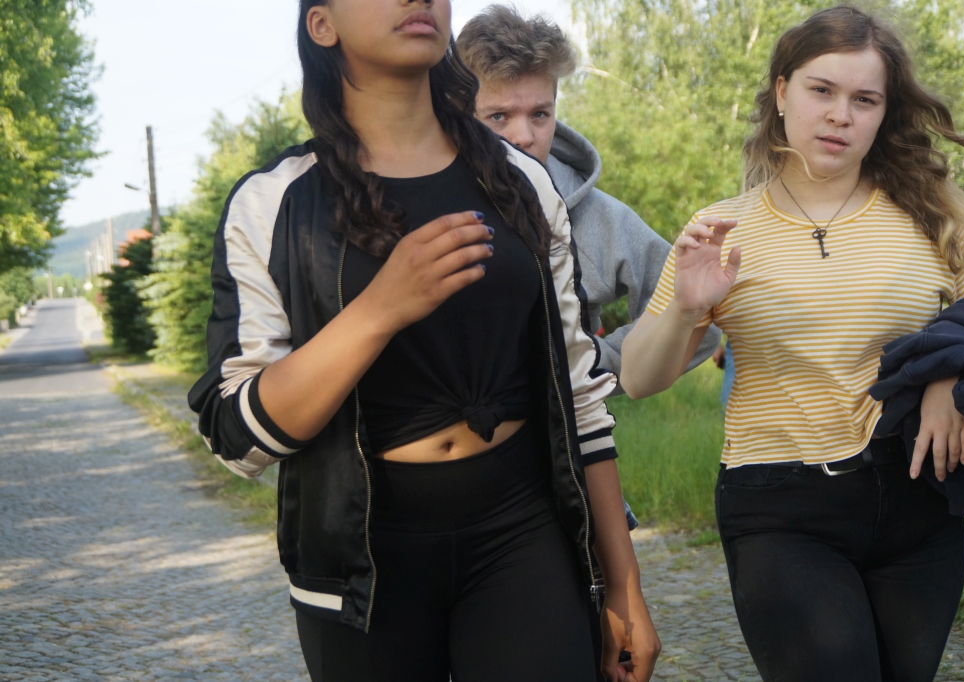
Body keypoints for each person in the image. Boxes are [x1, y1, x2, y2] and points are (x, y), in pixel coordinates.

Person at [188, 0, 660, 681]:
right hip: (363, 572)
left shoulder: (521, 181)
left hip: (523, 535)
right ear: (322, 24)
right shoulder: (274, 203)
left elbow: (579, 397)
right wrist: (379, 310)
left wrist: (623, 585)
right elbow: (239, 438)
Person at [620, 6, 964, 682]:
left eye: (864, 100)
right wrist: (686, 307)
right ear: (782, 93)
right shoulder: (721, 228)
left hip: (919, 501)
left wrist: (950, 376)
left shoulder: (933, 213)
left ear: (884, 113)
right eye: (822, 90)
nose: (840, 115)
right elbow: (638, 379)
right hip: (780, 507)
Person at [456, 5, 721, 382]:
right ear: (461, 115)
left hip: (570, 420)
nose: (524, 137)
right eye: (499, 116)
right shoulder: (418, 196)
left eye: (539, 114)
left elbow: (699, 324)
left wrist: (589, 369)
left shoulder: (597, 217)